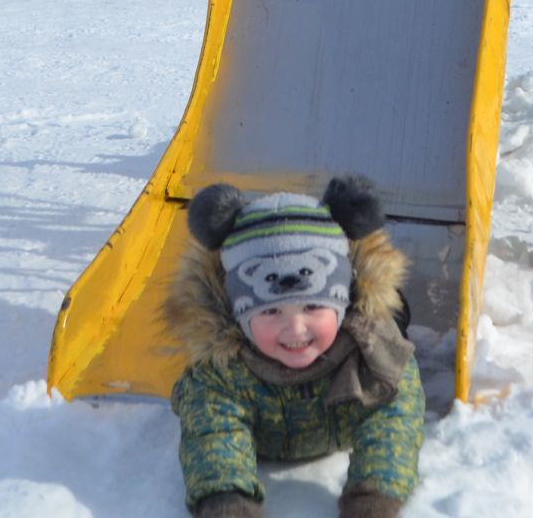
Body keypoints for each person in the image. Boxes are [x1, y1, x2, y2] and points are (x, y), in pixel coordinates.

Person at [167, 175, 424, 518]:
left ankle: (388, 309)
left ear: (340, 302)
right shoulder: (220, 373)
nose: (296, 328)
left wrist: (374, 497)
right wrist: (225, 500)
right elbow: (213, 433)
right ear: (240, 316)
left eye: (313, 307)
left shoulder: (373, 355)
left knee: (391, 323)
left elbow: (393, 418)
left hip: (350, 334)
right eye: (271, 310)